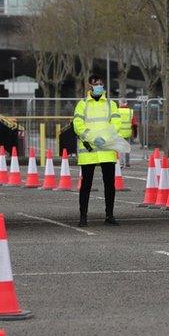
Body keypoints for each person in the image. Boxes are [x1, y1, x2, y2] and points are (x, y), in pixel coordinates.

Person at [72, 74, 122, 227]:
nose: (99, 86)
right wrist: (92, 139)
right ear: (90, 86)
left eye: (101, 83)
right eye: (96, 83)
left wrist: (105, 139)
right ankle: (83, 216)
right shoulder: (82, 105)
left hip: (106, 149)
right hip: (89, 151)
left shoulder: (110, 104)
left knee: (109, 185)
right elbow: (77, 124)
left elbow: (116, 123)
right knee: (86, 185)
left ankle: (109, 215)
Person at [117, 100, 136, 168]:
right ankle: (127, 163)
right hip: (128, 132)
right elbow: (134, 123)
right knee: (127, 148)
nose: (119, 104)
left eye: (119, 103)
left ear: (121, 103)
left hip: (119, 133)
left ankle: (121, 163)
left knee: (120, 149)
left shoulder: (117, 111)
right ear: (126, 103)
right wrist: (135, 133)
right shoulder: (130, 112)